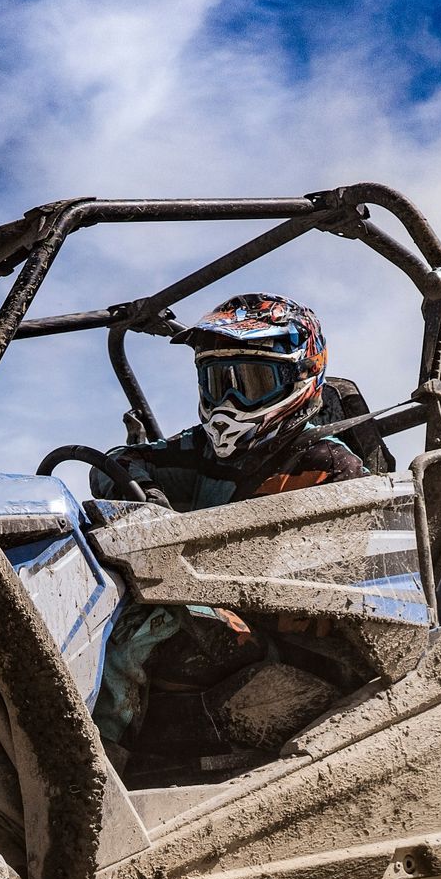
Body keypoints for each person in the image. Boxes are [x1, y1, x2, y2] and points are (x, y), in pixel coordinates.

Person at [91, 293, 371, 747]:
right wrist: (149, 500)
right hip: (207, 599)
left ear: (301, 378)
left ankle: (96, 769)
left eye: (252, 382)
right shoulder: (200, 451)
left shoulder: (332, 470)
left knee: (141, 629)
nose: (229, 401)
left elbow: (344, 601)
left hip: (296, 639)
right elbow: (118, 462)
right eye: (216, 383)